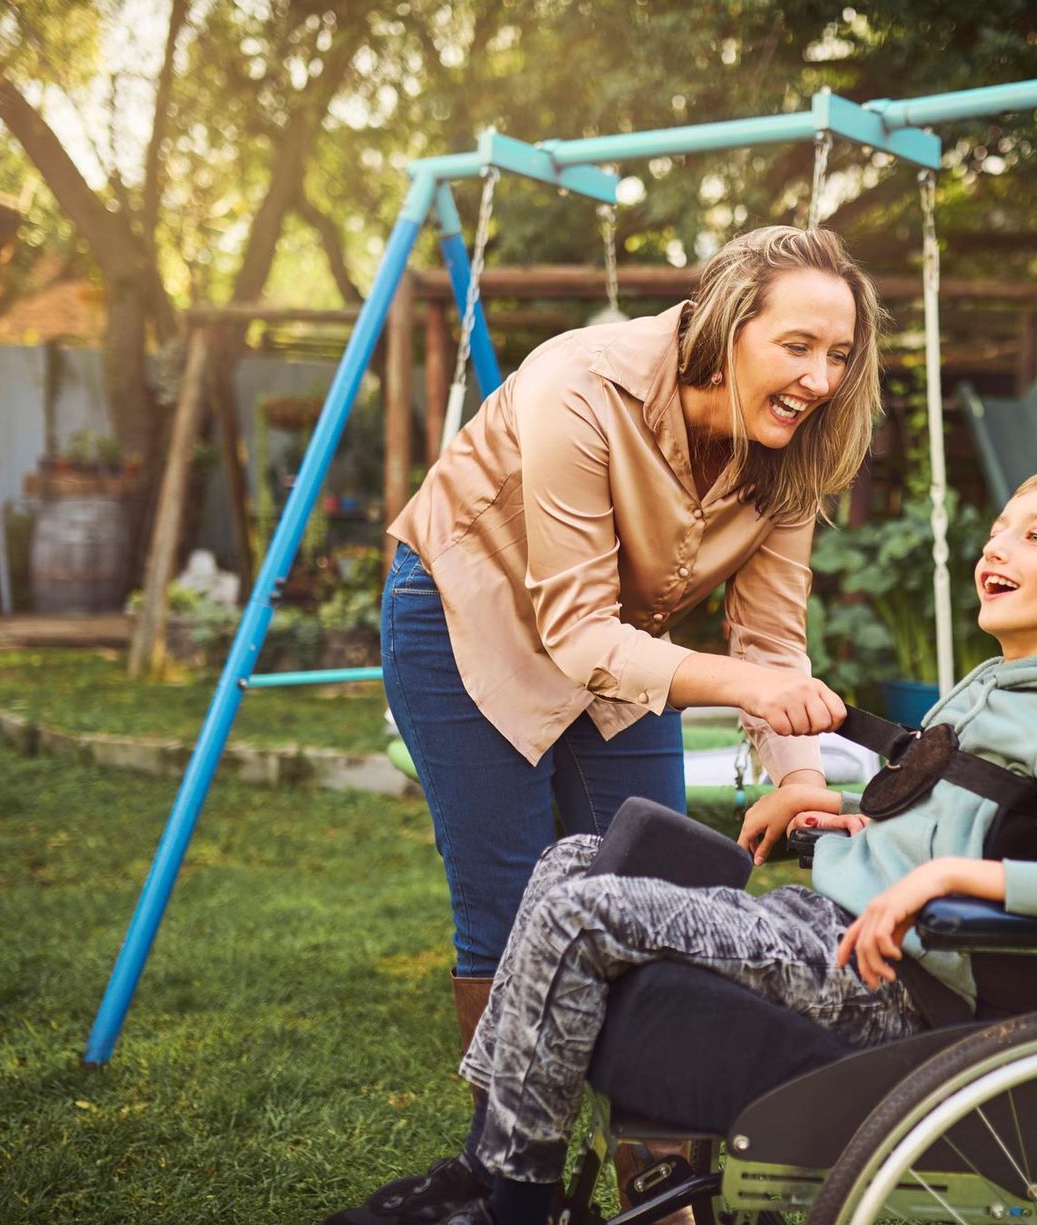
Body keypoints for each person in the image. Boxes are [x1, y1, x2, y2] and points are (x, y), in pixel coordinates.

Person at [325, 469, 1037, 1225]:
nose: (997, 546)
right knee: (573, 858)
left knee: (583, 911)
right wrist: (861, 819)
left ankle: (505, 1198)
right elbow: (991, 809)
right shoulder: (1016, 681)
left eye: (1036, 537)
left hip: (888, 983)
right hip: (835, 923)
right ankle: (491, 1154)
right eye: (998, 530)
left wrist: (944, 875)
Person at [367, 226, 880, 1221]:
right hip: (464, 618)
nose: (822, 378)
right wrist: (737, 684)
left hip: (620, 641)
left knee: (657, 887)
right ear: (731, 327)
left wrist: (799, 779)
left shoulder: (792, 452)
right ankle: (513, 1174)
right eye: (799, 347)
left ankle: (659, 1179)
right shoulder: (580, 383)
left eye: (842, 355)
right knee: (514, 904)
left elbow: (769, 641)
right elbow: (570, 628)